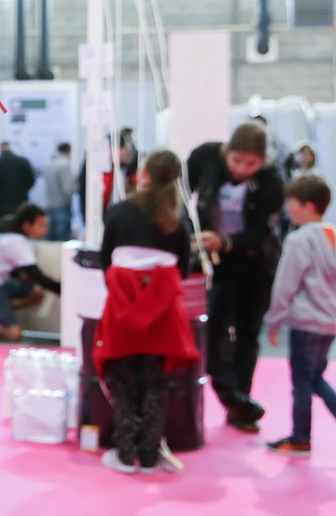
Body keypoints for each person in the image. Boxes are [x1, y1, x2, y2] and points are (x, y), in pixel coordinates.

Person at [94, 150, 198, 474]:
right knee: (155, 382)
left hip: (121, 306)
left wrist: (126, 291)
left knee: (121, 378)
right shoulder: (178, 220)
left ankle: (125, 453)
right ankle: (150, 455)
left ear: (145, 175)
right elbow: (182, 270)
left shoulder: (119, 211)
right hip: (163, 313)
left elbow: (105, 259)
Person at [187, 121, 284, 433]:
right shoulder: (203, 157)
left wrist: (226, 241)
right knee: (213, 327)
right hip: (216, 261)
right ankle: (229, 393)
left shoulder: (272, 182)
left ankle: (240, 403)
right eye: (237, 161)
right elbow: (181, 194)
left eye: (251, 163)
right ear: (226, 152)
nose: (243, 169)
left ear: (262, 161)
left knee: (247, 333)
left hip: (257, 263)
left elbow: (259, 231)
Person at [264, 175, 336, 458]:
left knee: (302, 382)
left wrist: (274, 319)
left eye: (292, 203)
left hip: (306, 322)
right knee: (314, 378)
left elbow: (285, 283)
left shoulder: (299, 240)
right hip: (329, 322)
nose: (288, 209)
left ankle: (305, 437)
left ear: (308, 206)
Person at [0, 204, 61, 341]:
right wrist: (63, 290)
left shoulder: (3, 224)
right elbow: (37, 276)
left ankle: (2, 308)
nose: (44, 231)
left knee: (36, 292)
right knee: (14, 334)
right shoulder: (15, 241)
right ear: (27, 225)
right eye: (41, 226)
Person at [0, 140, 35, 223]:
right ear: (10, 148)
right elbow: (31, 180)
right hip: (21, 201)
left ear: (0, 149)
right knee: (20, 226)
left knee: (4, 227)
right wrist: (23, 190)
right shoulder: (22, 162)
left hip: (1, 203)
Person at [41, 142, 76, 241]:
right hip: (62, 206)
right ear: (68, 151)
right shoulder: (64, 165)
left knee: (50, 238)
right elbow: (68, 188)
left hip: (49, 205)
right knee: (62, 239)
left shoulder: (48, 164)